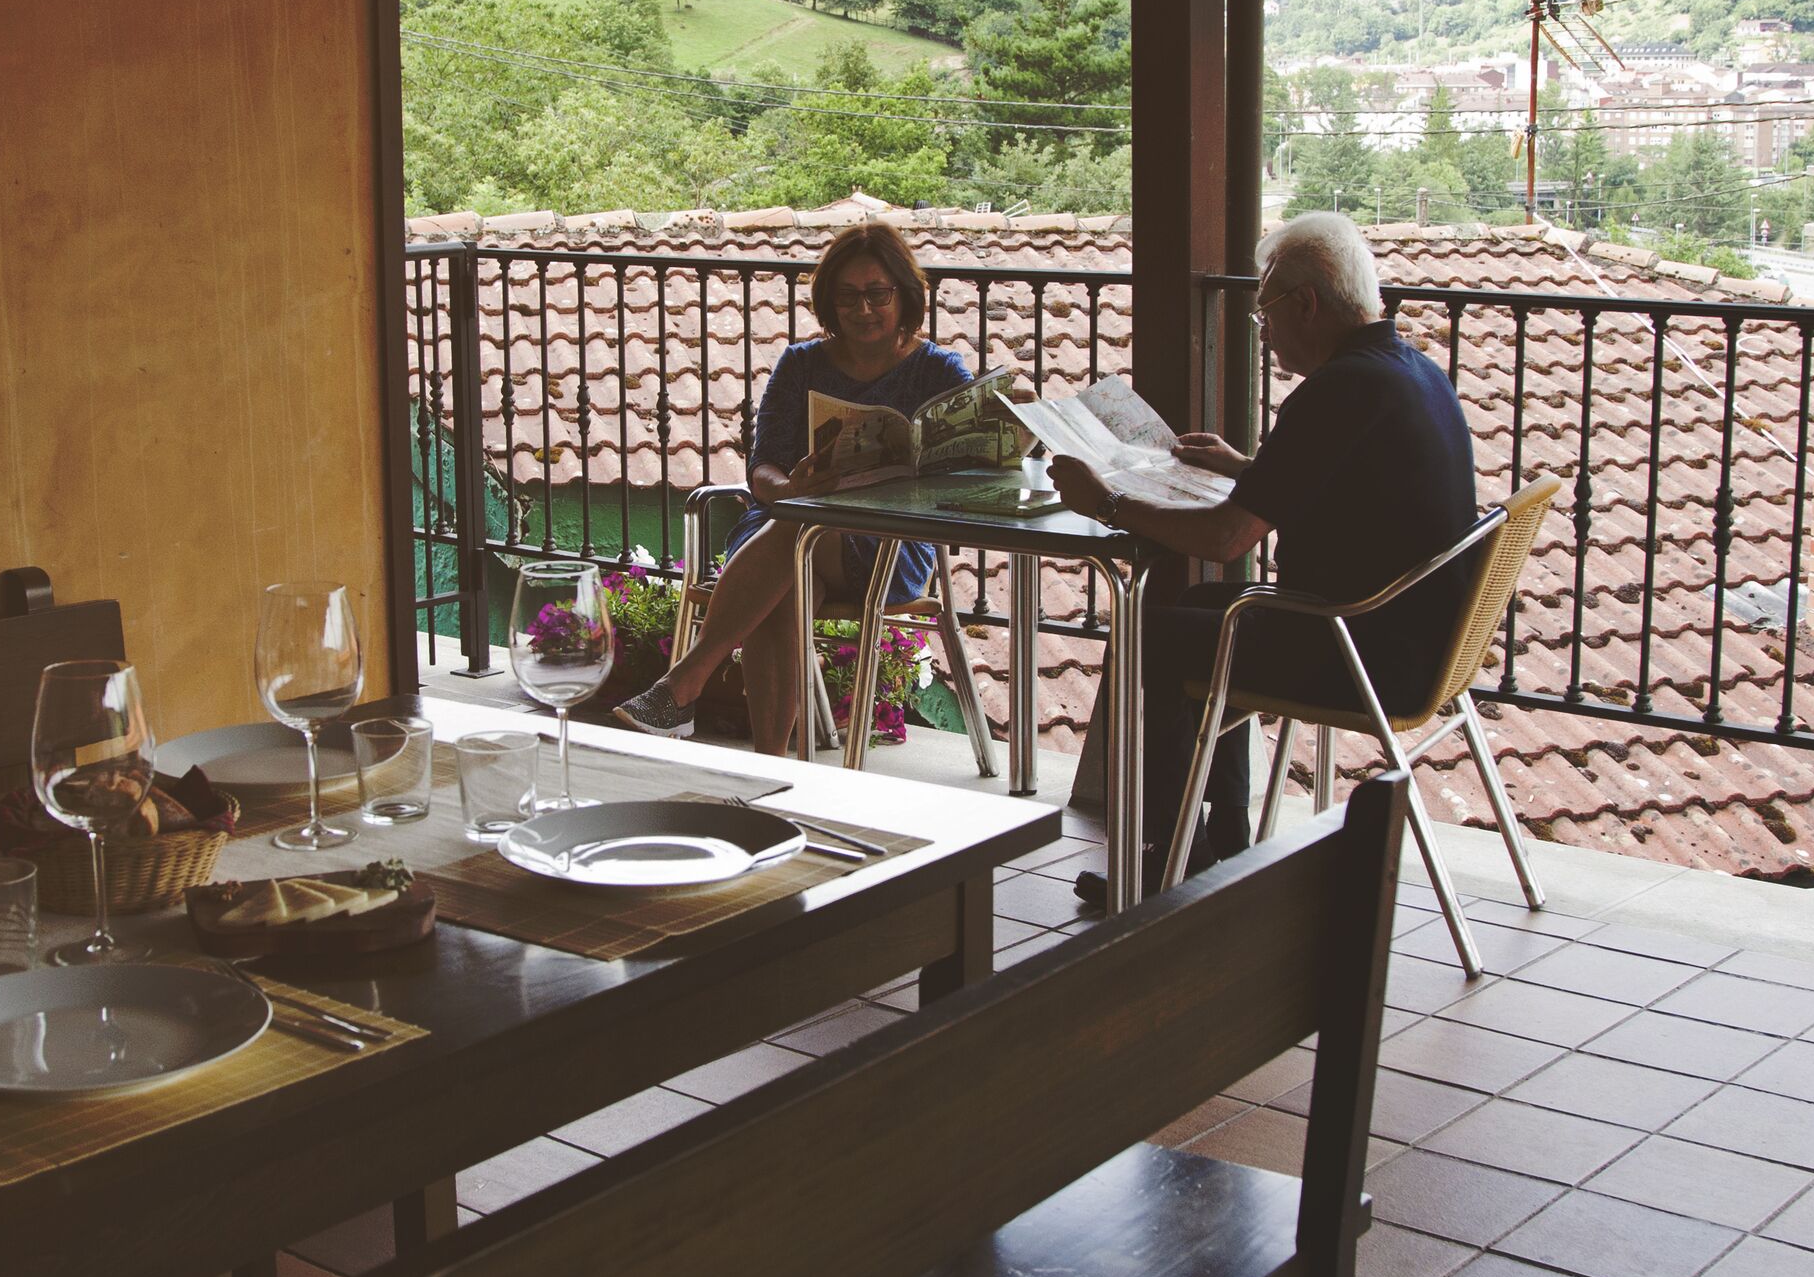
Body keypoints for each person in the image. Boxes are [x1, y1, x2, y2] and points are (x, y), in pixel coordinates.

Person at [1049, 210, 1485, 901]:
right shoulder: (1410, 369)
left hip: (1357, 649)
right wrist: (1247, 468)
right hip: (1417, 638)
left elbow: (1225, 541)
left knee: (1150, 636)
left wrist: (1105, 502)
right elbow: (1346, 485)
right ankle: (1220, 831)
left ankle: (1169, 858)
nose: (1266, 330)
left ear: (1305, 305)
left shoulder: (1338, 390)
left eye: (1266, 313)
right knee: (1194, 609)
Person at [616, 220, 971, 753]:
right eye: (848, 296)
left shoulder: (939, 371)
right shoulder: (802, 363)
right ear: (830, 301)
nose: (864, 308)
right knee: (789, 569)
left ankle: (684, 686)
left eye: (878, 293)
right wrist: (787, 489)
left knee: (795, 542)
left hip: (889, 539)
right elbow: (763, 468)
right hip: (789, 522)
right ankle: (774, 764)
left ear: (904, 294)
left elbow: (966, 463)